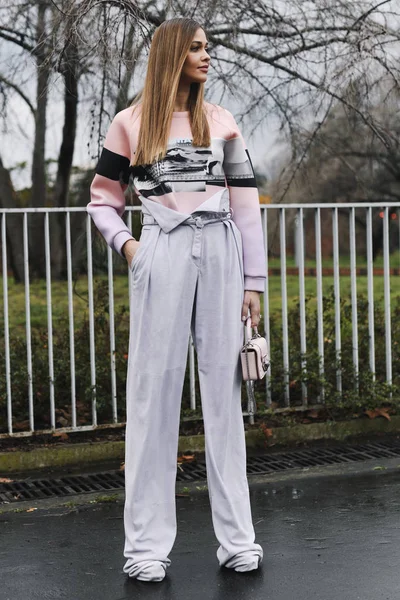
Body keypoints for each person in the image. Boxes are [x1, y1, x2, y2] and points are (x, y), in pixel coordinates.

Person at [87, 17, 266, 583]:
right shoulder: (131, 122)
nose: (206, 56)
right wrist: (131, 248)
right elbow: (100, 200)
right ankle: (144, 549)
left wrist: (253, 282)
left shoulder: (222, 122)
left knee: (224, 397)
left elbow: (245, 202)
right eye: (195, 48)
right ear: (171, 55)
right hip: (159, 250)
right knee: (152, 396)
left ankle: (238, 540)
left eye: (208, 47)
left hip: (220, 249)